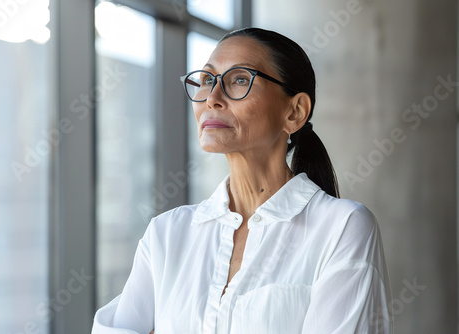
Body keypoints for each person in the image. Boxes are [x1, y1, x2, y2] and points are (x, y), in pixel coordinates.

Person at [92, 27, 392, 334]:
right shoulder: (167, 235)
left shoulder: (343, 228)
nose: (212, 98)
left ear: (295, 111)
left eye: (239, 80)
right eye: (207, 80)